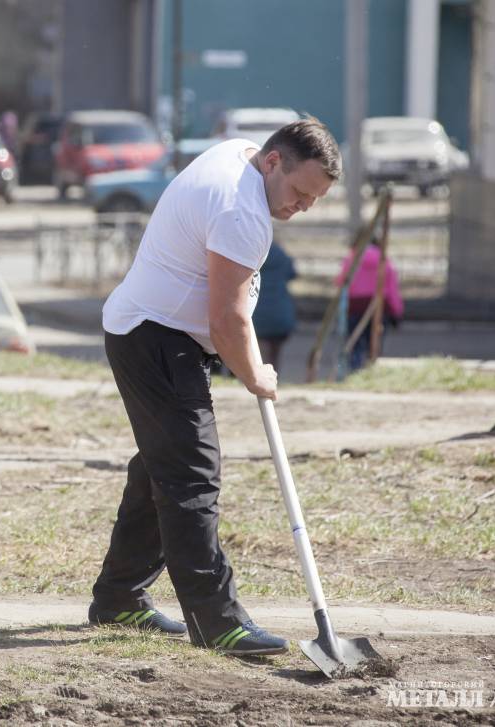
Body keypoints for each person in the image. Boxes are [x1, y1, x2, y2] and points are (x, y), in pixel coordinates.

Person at [92, 118, 341, 655]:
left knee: (162, 468)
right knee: (191, 475)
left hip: (150, 331)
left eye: (315, 199)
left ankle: (118, 599)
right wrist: (257, 375)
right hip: (156, 338)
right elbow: (228, 321)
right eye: (301, 192)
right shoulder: (241, 212)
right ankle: (216, 619)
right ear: (273, 162)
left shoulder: (240, 153)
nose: (304, 207)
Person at [335, 240, 404, 371]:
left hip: (354, 307)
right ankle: (370, 371)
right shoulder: (384, 262)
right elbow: (392, 290)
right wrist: (397, 311)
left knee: (354, 344)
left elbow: (341, 283)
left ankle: (355, 372)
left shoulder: (351, 260)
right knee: (374, 346)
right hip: (378, 308)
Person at [252, 241, 298, 372]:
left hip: (257, 312)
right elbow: (292, 274)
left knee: (259, 352)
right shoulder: (281, 255)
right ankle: (274, 378)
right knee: (275, 353)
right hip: (280, 312)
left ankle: (259, 379)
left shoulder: (252, 254)